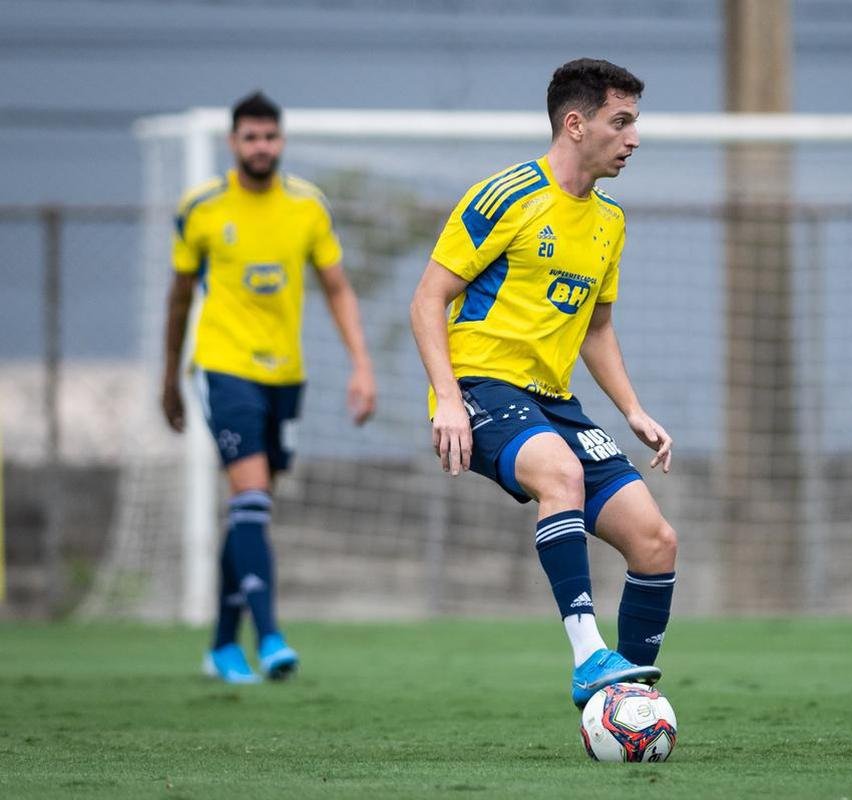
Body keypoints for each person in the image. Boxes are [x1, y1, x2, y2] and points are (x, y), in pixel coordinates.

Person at [410, 58, 678, 708]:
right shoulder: (506, 194)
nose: (634, 137)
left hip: (553, 400)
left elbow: (596, 329)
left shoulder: (610, 221)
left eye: (635, 123)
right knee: (559, 476)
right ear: (577, 123)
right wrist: (447, 398)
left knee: (655, 540)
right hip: (479, 384)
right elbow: (426, 300)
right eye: (622, 121)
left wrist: (633, 409)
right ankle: (589, 658)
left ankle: (623, 702)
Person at [162, 91, 376, 684]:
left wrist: (361, 364)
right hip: (224, 366)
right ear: (233, 143)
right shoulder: (201, 207)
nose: (261, 147)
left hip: (285, 374)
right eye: (250, 137)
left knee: (252, 509)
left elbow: (336, 287)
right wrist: (168, 378)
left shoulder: (308, 206)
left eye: (270, 137)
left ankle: (222, 646)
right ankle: (271, 636)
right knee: (251, 497)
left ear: (281, 141)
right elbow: (178, 297)